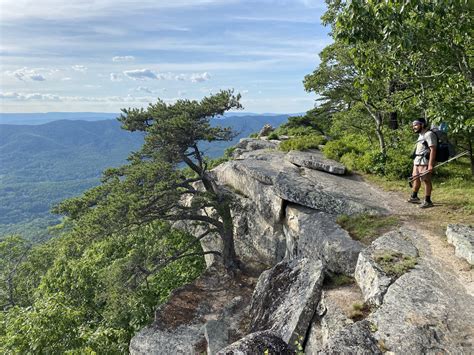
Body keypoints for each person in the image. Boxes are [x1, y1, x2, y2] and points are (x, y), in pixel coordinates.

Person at [407, 117, 437, 208]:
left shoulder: (429, 134)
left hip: (425, 161)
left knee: (426, 180)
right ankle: (414, 196)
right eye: (413, 126)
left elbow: (433, 149)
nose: (414, 127)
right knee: (415, 178)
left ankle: (428, 201)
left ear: (422, 125)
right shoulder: (420, 135)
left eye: (416, 125)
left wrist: (430, 164)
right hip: (417, 160)